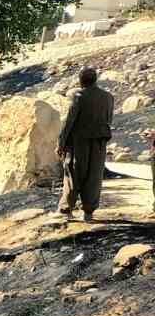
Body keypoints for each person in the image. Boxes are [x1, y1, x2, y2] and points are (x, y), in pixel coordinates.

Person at [57, 66, 114, 222]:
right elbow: (109, 120)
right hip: (99, 141)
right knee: (94, 175)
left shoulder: (79, 96)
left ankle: (67, 209)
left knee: (73, 174)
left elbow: (69, 122)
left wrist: (61, 143)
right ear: (95, 80)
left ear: (81, 81)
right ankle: (88, 212)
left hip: (78, 142)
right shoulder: (108, 97)